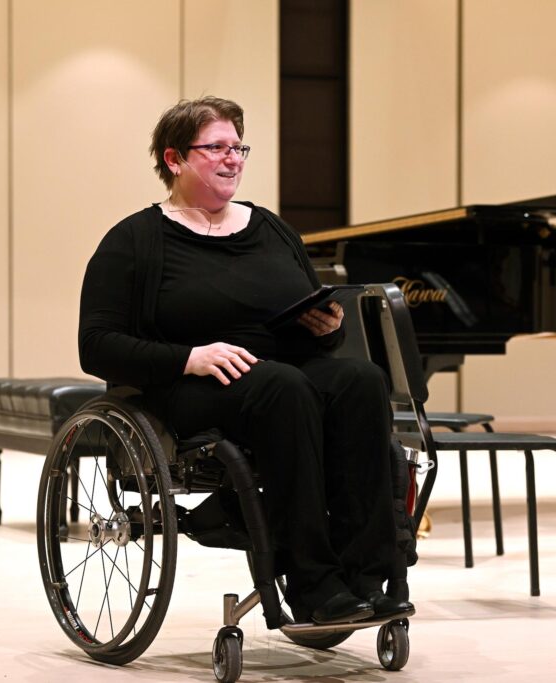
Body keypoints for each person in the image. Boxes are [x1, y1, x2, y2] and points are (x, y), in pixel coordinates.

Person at [78, 96, 412, 626]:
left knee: (360, 380)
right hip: (190, 386)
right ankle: (312, 581)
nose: (232, 158)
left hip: (280, 375)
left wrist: (328, 329)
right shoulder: (135, 241)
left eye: (239, 147)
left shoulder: (272, 229)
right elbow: (95, 345)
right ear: (174, 159)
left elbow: (310, 336)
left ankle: (371, 573)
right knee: (284, 388)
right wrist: (190, 357)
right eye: (216, 148)